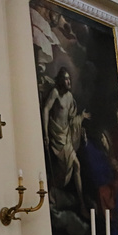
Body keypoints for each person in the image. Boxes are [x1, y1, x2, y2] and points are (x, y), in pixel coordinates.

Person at [42, 68, 88, 198]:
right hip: (57, 136)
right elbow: (46, 110)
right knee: (64, 170)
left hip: (66, 136)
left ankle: (81, 203)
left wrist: (81, 122)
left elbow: (72, 119)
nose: (69, 82)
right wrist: (46, 134)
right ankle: (49, 189)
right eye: (66, 79)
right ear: (61, 81)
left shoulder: (70, 97)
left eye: (69, 79)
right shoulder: (55, 93)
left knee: (75, 165)